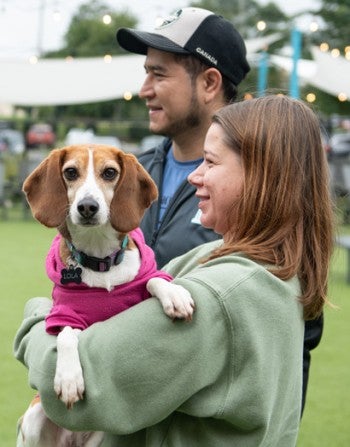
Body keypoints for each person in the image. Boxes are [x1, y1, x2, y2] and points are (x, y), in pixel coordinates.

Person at [15, 95, 334, 446]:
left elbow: (74, 383)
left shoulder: (221, 297)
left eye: (209, 162)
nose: (194, 176)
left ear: (260, 177)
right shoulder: (245, 263)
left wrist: (36, 316)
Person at [116, 7, 323, 413]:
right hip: (122, 409)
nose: (144, 88)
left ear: (210, 82)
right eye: (146, 72)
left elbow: (295, 329)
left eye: (159, 74)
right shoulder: (129, 174)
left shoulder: (259, 194)